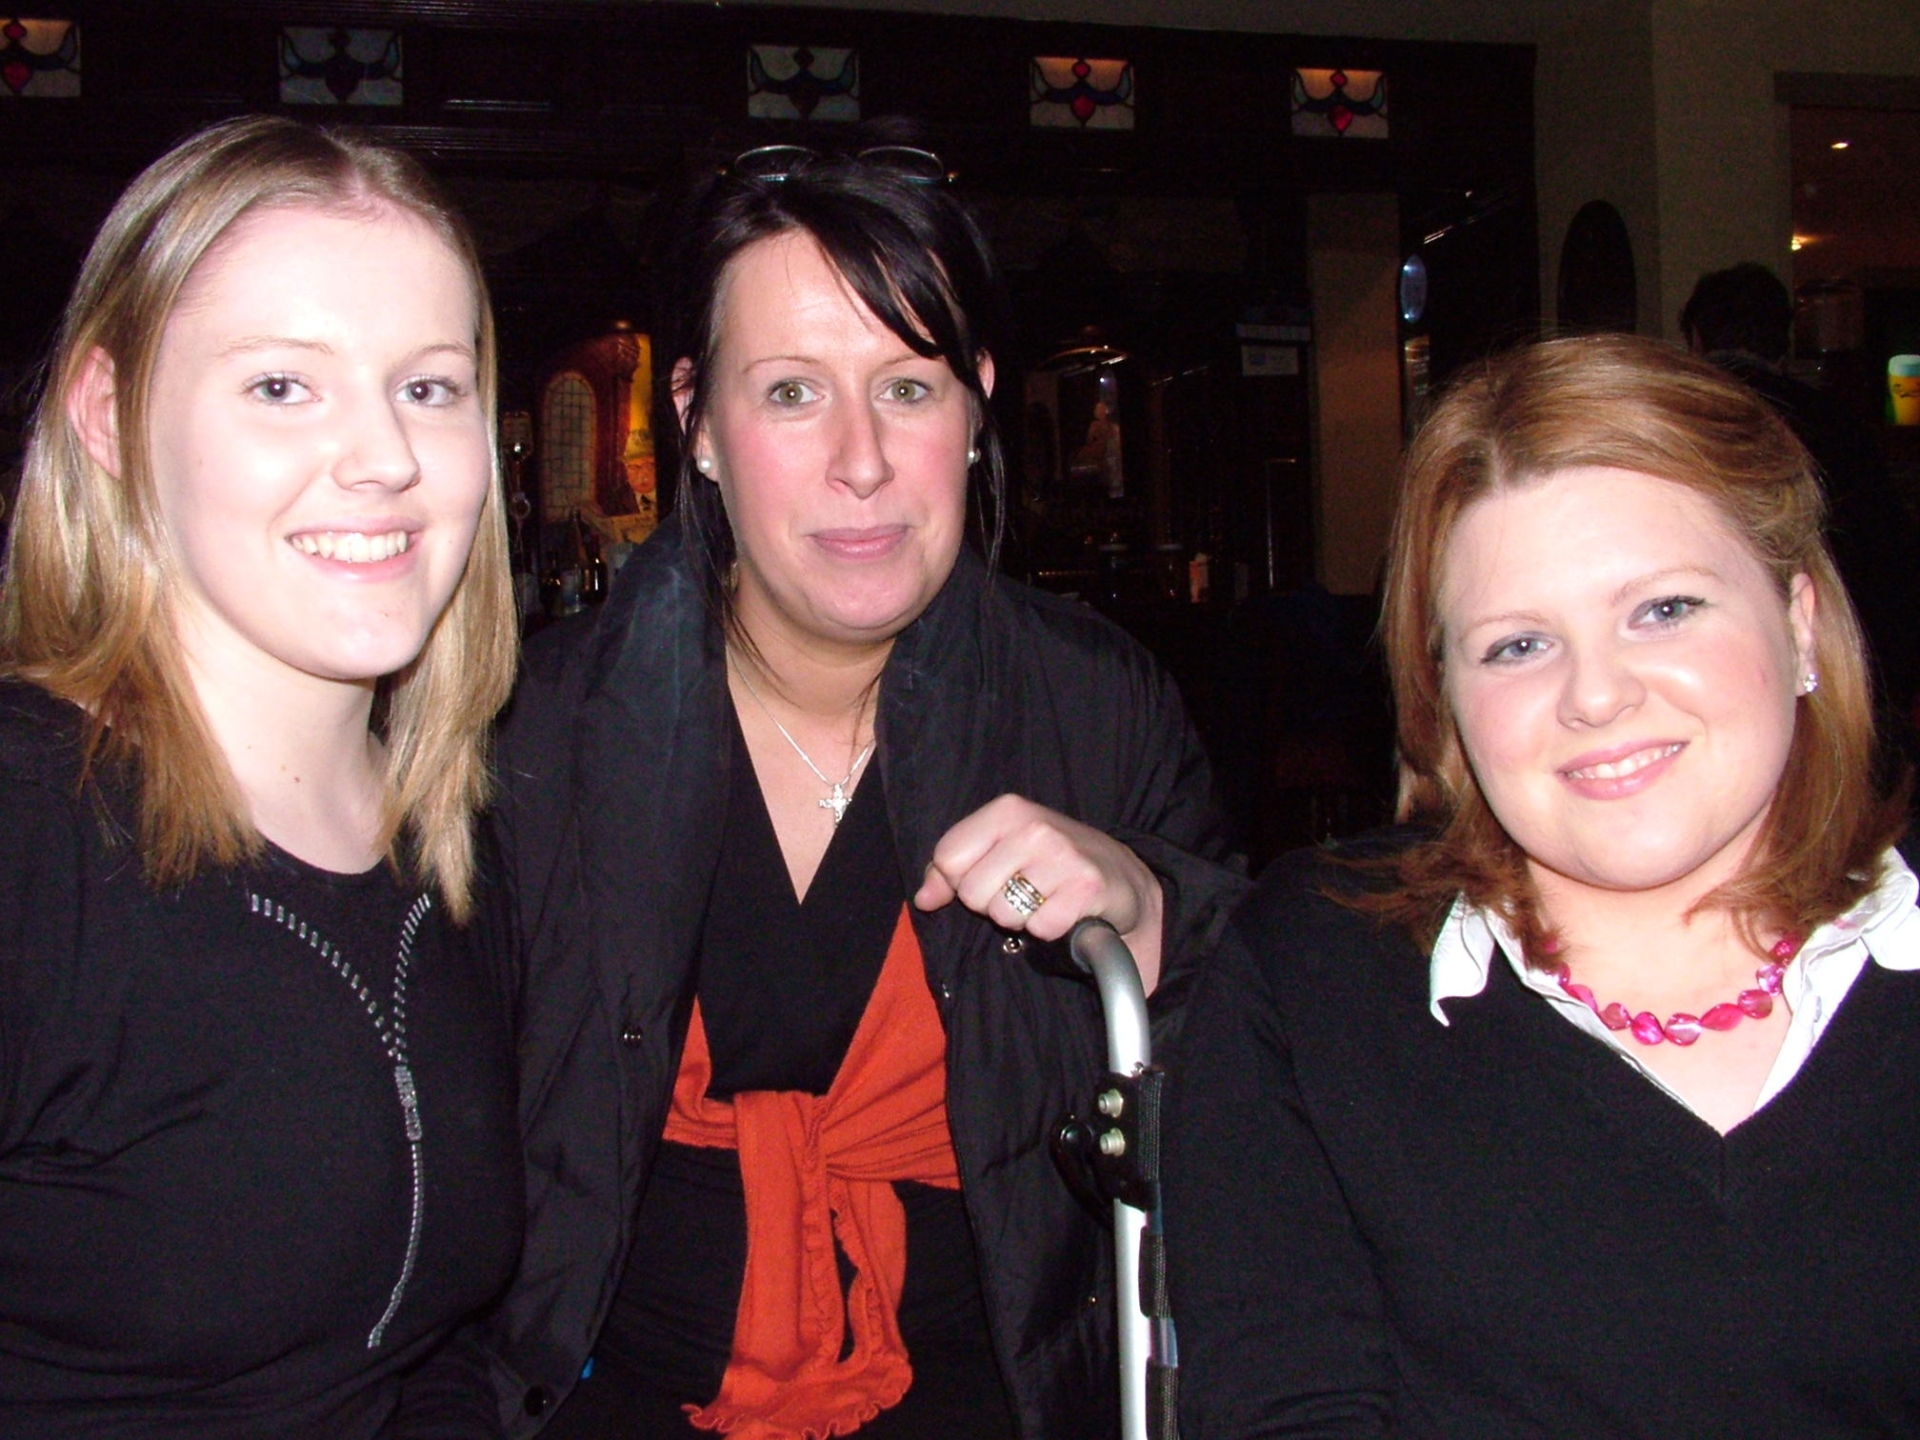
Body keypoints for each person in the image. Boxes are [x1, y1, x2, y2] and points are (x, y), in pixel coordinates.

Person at [483, 141, 1242, 1439]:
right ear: (697, 422)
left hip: (999, 1401)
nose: (863, 460)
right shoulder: (537, 730)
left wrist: (1151, 905)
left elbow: (1261, 1078)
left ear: (977, 405)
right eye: (791, 392)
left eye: (907, 388)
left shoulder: (1094, 704)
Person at [1165, 334, 1918, 1438]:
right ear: (1446, 704)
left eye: (1664, 609)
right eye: (1518, 645)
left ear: (1800, 622)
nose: (1596, 695)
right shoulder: (1314, 975)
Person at [0, 117, 523, 1437]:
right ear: (108, 417)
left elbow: (427, 1351)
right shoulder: (28, 829)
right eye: (283, 386)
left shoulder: (449, 838)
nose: (385, 457)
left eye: (429, 387)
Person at [1680, 261, 1919, 731]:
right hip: (1845, 661)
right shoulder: (1836, 422)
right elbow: (1890, 556)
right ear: (1783, 337)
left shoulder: (1678, 422)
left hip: (1717, 674)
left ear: (1696, 337)